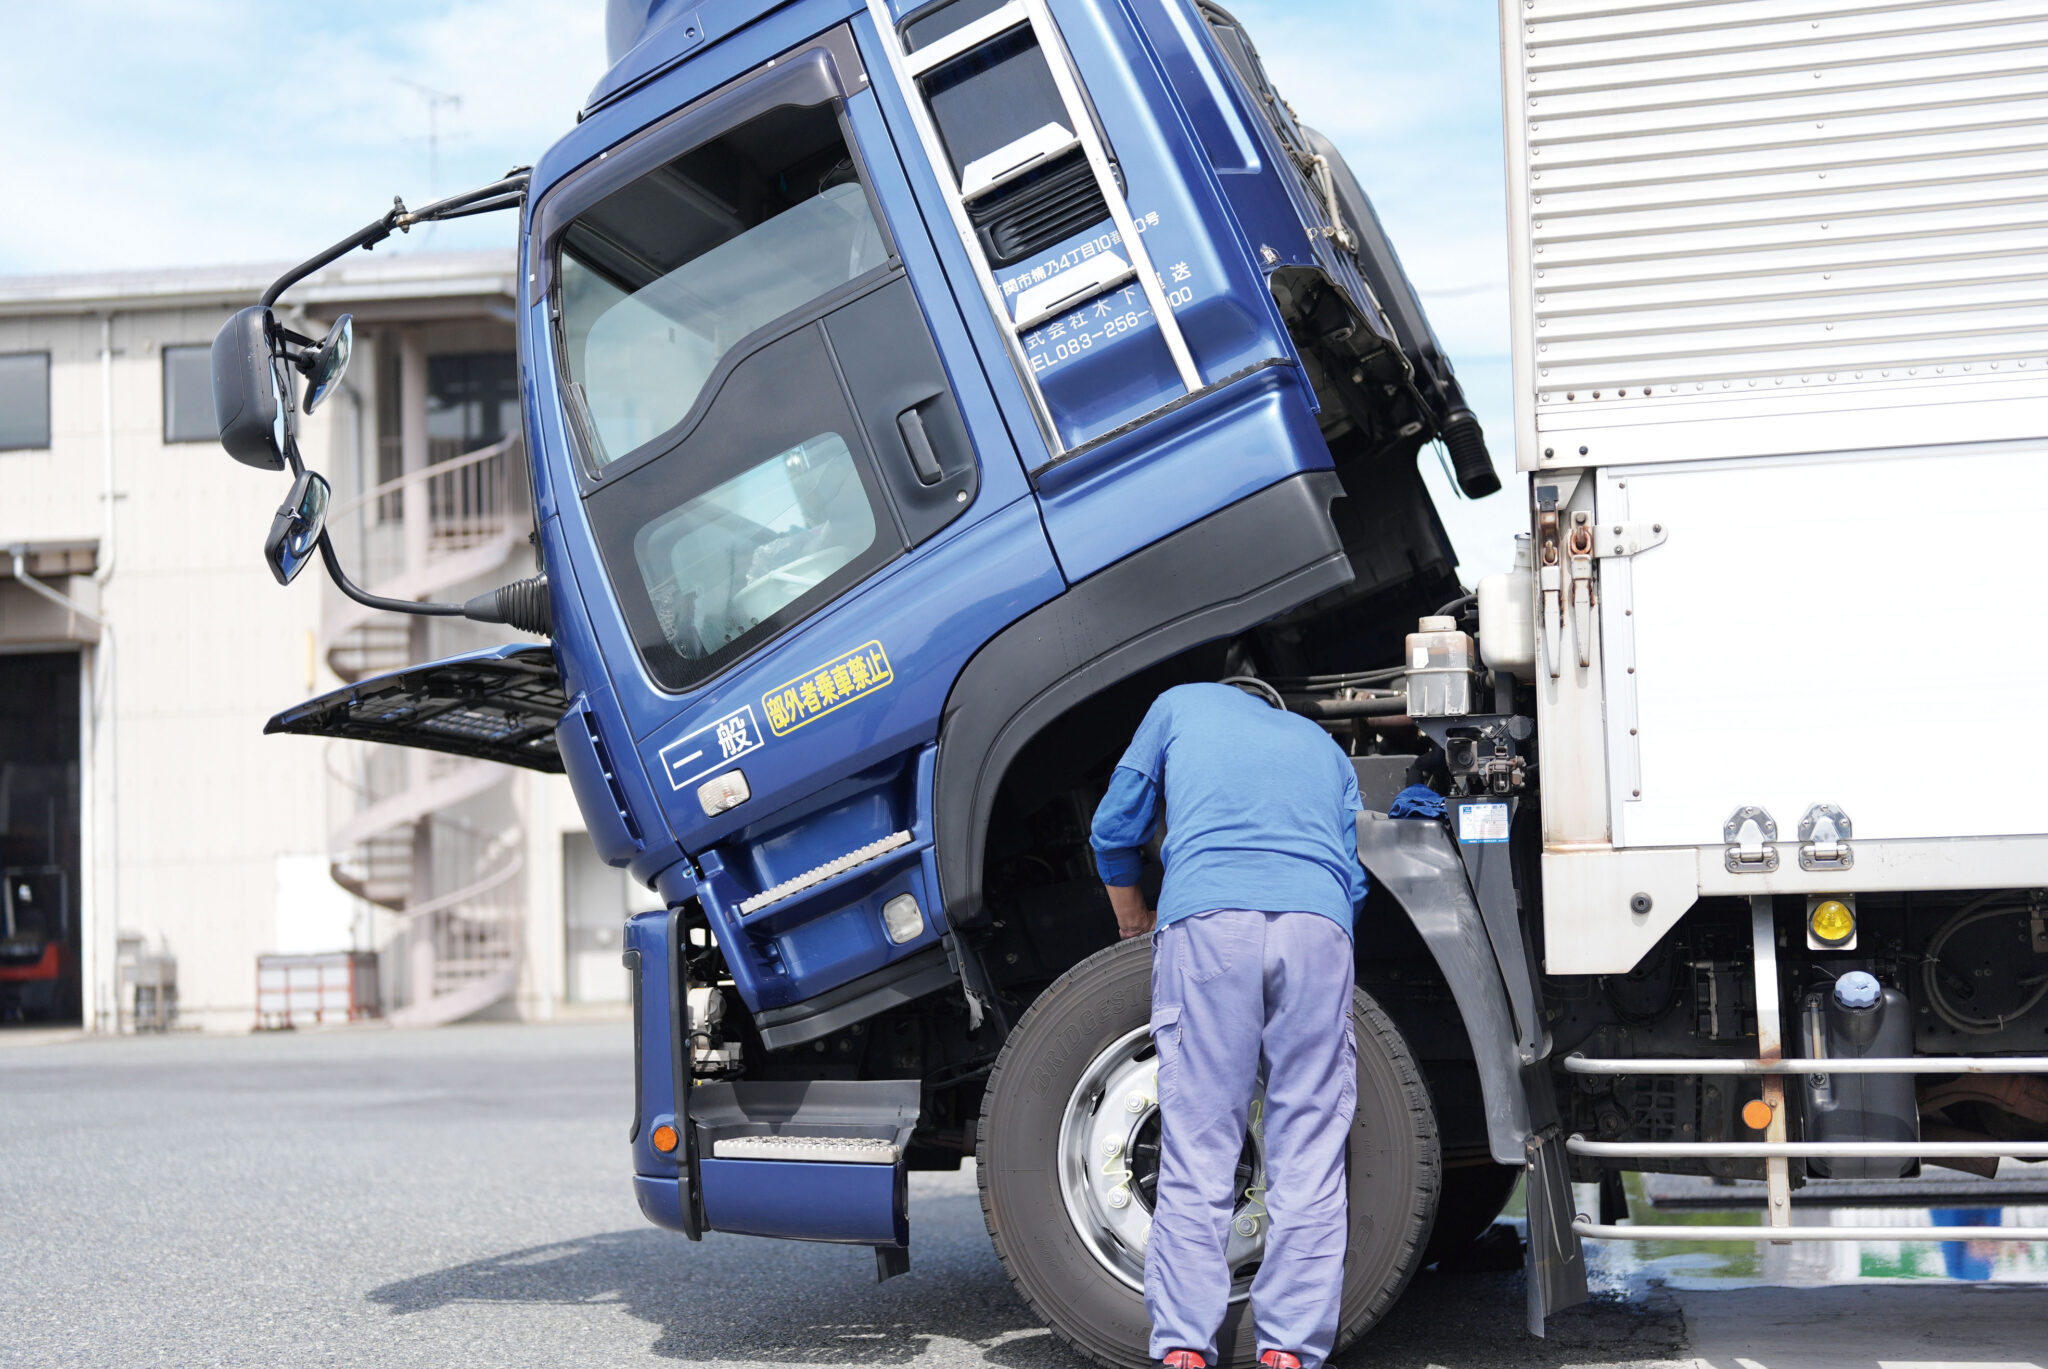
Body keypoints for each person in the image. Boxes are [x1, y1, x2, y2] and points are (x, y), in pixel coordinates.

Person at [1089, 681, 1367, 1369]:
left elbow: (1114, 824)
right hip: (1317, 927)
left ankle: (1185, 1345)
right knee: (1308, 1144)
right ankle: (1290, 1353)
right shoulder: (1324, 744)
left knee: (1201, 1140)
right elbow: (1355, 879)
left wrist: (1131, 914)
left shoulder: (1178, 703)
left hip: (1210, 923)